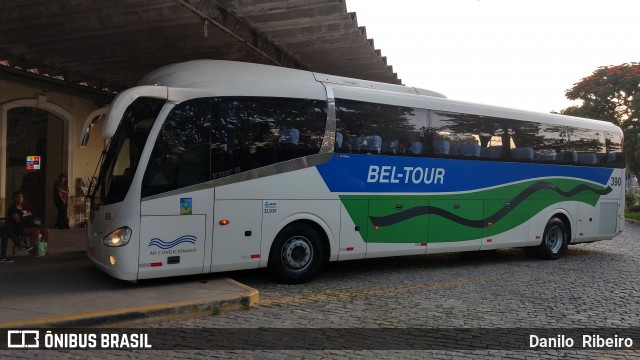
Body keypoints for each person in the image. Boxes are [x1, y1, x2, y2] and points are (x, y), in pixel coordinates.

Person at [8, 191, 50, 255]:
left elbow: (31, 216)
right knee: (36, 231)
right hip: (20, 227)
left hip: (29, 225)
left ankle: (42, 249)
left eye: (21, 197)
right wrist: (28, 219)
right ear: (14, 198)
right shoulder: (12, 209)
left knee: (46, 230)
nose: (20, 198)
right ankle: (32, 250)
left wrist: (34, 221)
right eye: (18, 197)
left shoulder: (25, 207)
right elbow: (18, 221)